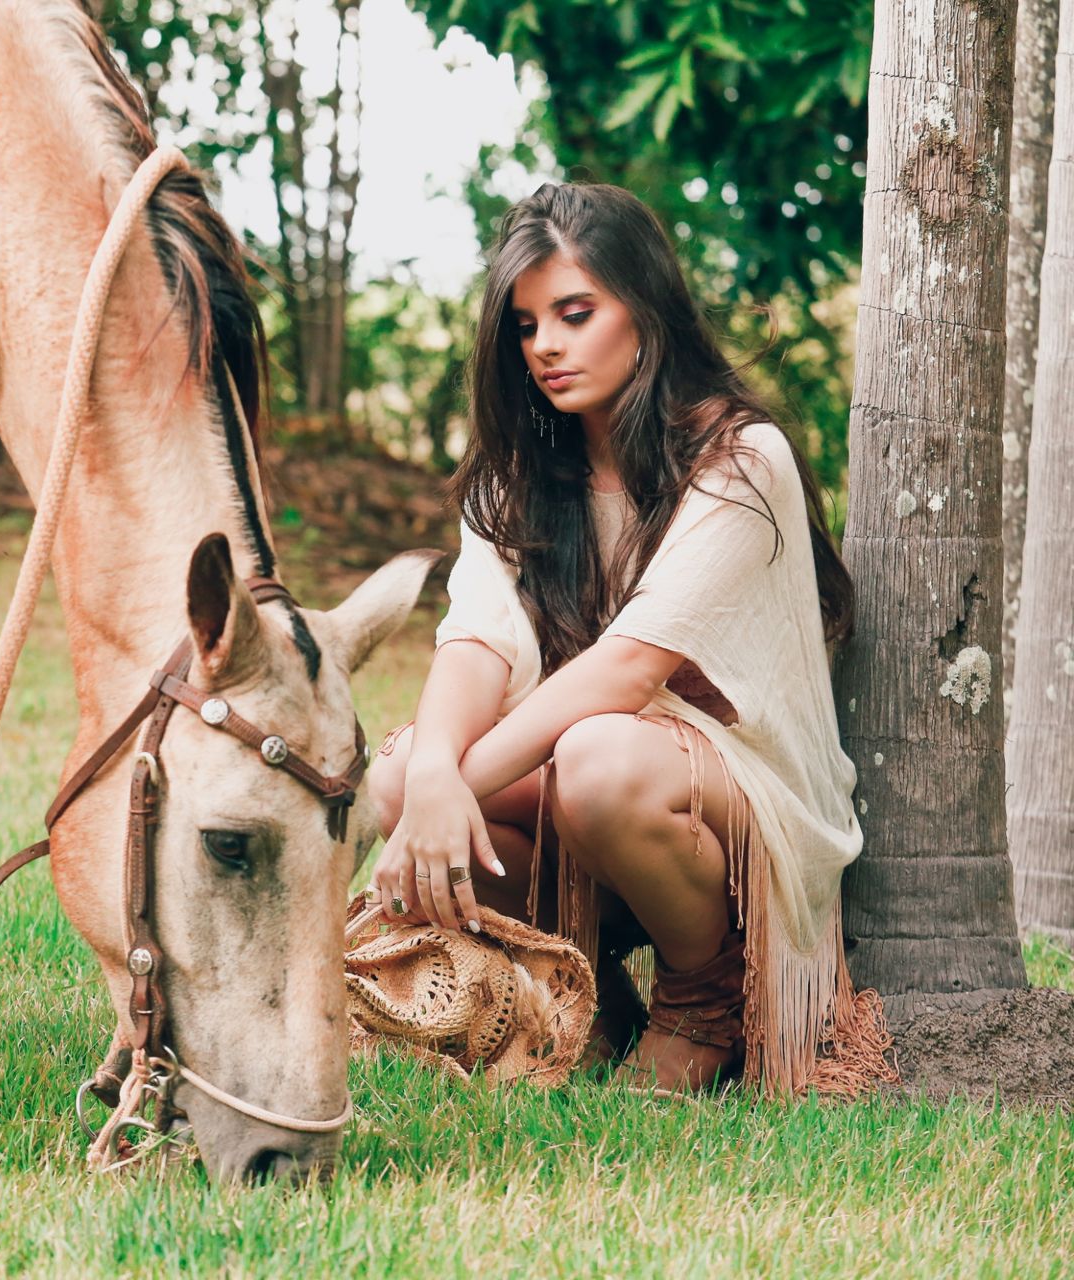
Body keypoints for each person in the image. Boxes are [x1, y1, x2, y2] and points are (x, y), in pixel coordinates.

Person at [366, 182, 891, 1095]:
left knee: (594, 756)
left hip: (737, 795)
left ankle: (708, 995)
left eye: (576, 313)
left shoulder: (739, 457)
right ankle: (589, 990)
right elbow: (475, 642)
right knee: (398, 768)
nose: (548, 348)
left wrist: (440, 795)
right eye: (526, 326)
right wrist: (429, 778)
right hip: (588, 780)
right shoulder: (520, 475)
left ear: (645, 313)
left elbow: (629, 668)